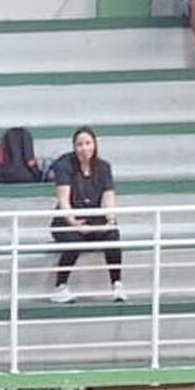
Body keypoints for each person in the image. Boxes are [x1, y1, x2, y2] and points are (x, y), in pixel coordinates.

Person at [46, 126, 122, 304]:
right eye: (79, 144)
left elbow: (109, 195)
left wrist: (110, 218)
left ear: (94, 145)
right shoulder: (64, 165)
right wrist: (74, 222)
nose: (84, 148)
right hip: (66, 220)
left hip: (92, 217)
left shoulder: (104, 167)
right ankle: (60, 287)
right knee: (74, 240)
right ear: (74, 147)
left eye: (88, 143)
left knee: (113, 233)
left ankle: (117, 285)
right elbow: (63, 200)